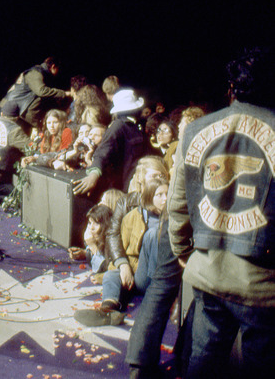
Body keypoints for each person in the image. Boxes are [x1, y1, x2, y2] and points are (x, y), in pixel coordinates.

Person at [168, 47, 275, 377]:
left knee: (203, 360)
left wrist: (183, 251)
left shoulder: (197, 129)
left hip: (210, 271)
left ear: (231, 87)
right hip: (263, 286)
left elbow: (177, 204)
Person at [75, 177, 169, 327]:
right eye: (160, 195)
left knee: (152, 235)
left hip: (159, 278)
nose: (165, 199)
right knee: (111, 275)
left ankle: (154, 297)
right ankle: (107, 311)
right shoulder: (133, 217)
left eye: (167, 194)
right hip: (138, 273)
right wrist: (123, 266)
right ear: (150, 196)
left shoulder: (173, 217)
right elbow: (121, 246)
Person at [73, 88, 148, 197]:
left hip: (138, 182)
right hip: (124, 188)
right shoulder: (118, 127)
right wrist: (93, 175)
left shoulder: (137, 125)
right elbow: (103, 152)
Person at [68, 204, 113, 284]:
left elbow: (104, 269)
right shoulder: (96, 239)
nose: (91, 228)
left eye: (96, 223)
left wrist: (93, 246)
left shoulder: (112, 242)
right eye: (89, 223)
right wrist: (84, 253)